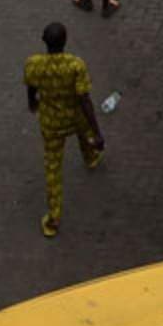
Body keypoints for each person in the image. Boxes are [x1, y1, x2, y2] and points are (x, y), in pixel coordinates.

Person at [24, 22, 105, 237]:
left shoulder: (34, 64)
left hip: (51, 122)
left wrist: (32, 103)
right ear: (65, 41)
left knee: (53, 170)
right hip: (75, 116)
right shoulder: (75, 65)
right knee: (84, 138)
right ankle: (91, 158)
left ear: (43, 40)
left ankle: (53, 219)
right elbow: (84, 99)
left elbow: (31, 88)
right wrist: (97, 132)